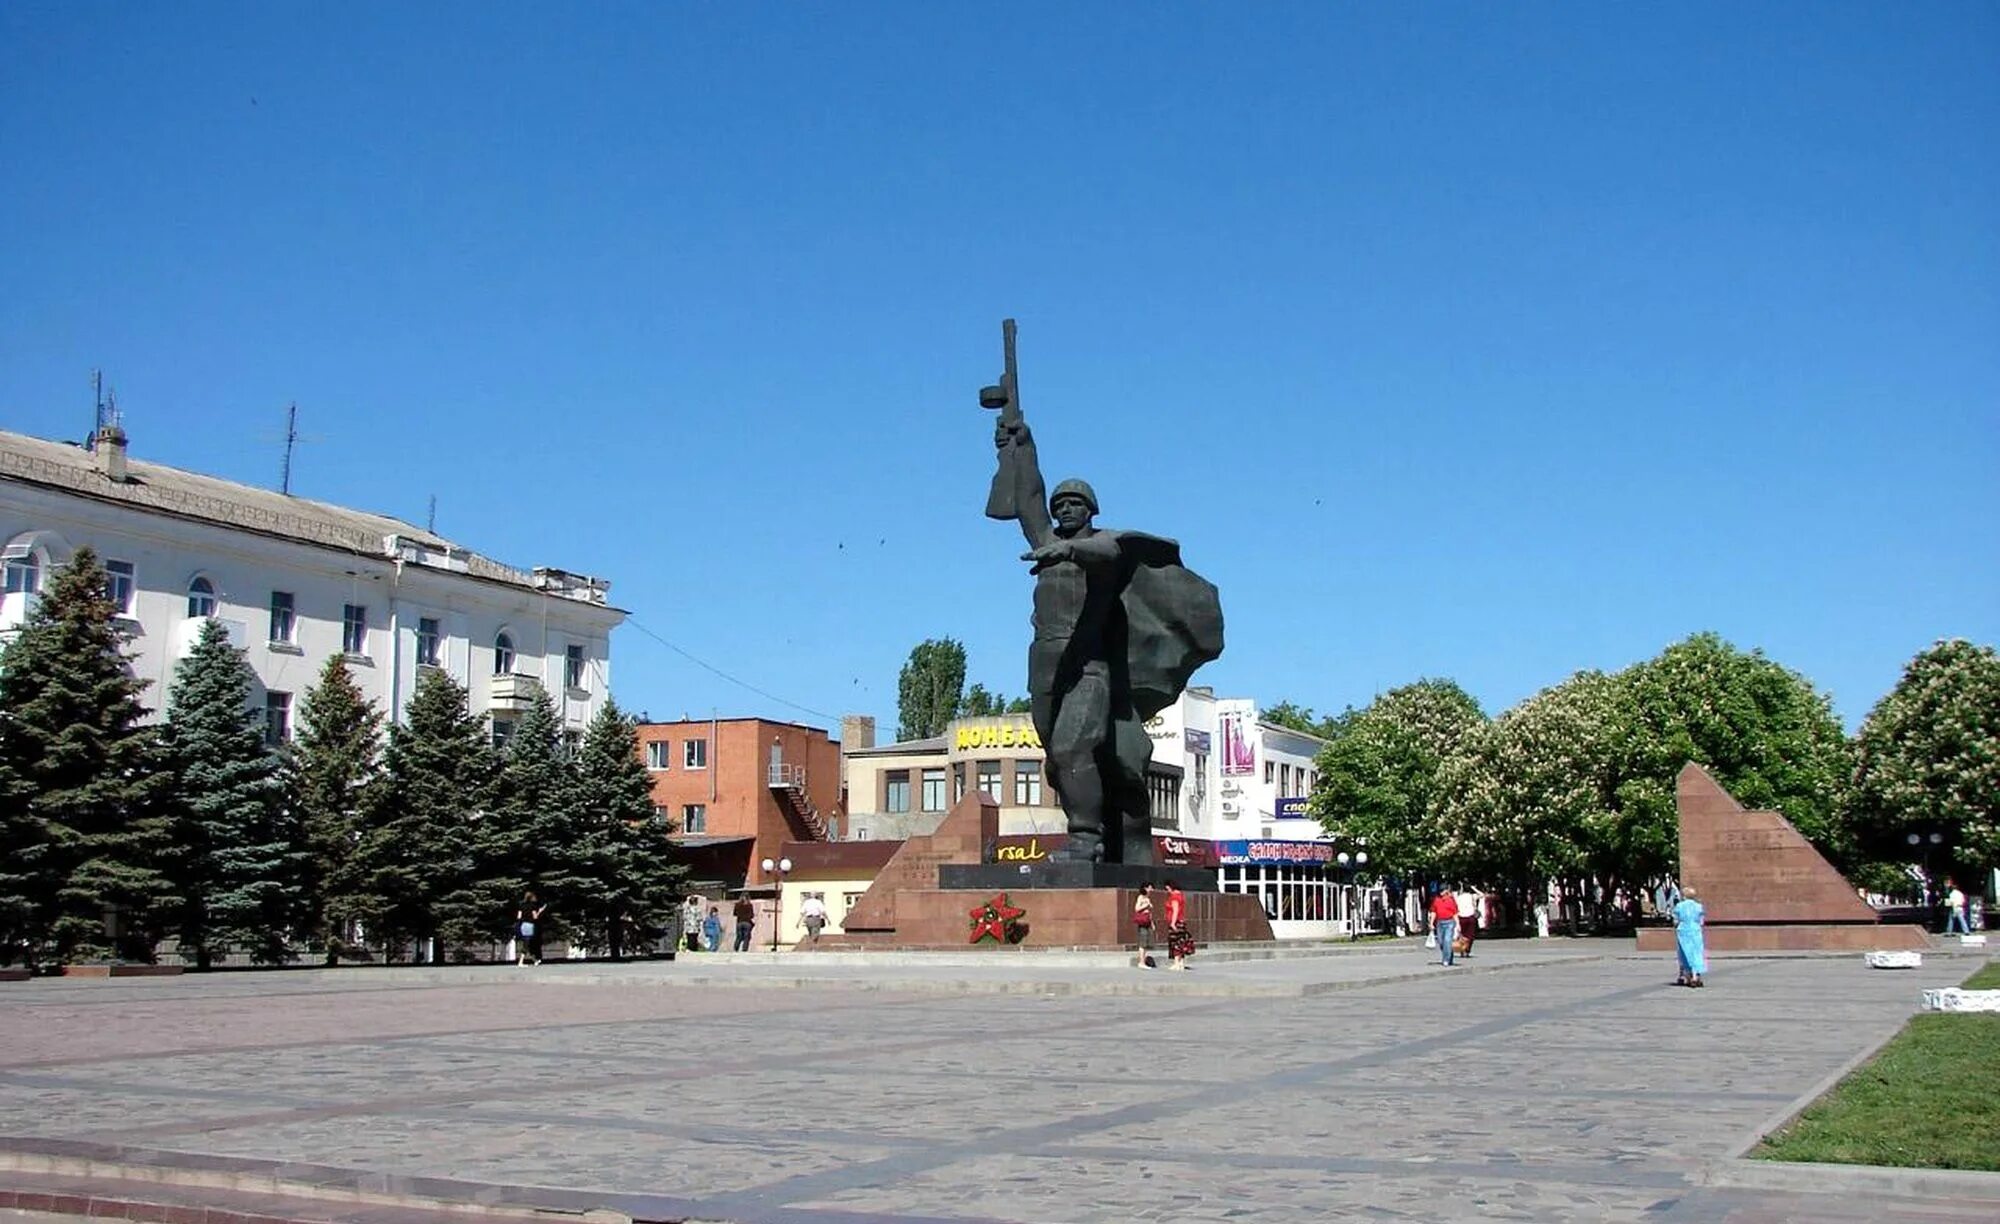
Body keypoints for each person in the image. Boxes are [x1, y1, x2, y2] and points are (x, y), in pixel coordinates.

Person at [985, 357, 1223, 865]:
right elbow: (1027, 497)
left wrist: (1070, 551)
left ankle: (1085, 841)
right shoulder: (1046, 542)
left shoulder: (1102, 548)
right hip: (1045, 664)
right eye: (1062, 503)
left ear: (1092, 511)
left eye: (1076, 503)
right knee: (1059, 759)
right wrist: (1020, 444)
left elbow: (1106, 554)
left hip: (1090, 669)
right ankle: (1106, 832)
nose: (1065, 509)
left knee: (1074, 749)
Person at [1672, 886, 1707, 987]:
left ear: (1683, 896)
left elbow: (1675, 920)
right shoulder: (1698, 906)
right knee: (1696, 952)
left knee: (1684, 952)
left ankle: (1685, 975)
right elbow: (1701, 921)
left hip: (1683, 930)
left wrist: (1677, 925)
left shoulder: (1679, 906)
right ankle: (1696, 976)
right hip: (1695, 930)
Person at [1164, 880, 1195, 970]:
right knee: (1181, 941)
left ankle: (1176, 963)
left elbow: (1175, 910)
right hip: (1181, 921)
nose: (1167, 891)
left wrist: (1173, 923)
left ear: (1171, 887)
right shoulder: (1181, 895)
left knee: (1175, 942)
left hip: (1176, 922)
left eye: (1168, 889)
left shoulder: (1174, 897)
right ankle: (1181, 962)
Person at [1430, 887, 1459, 967]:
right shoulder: (1436, 900)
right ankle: (1450, 955)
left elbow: (1455, 913)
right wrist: (1431, 923)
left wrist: (1458, 924)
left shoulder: (1450, 900)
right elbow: (1433, 912)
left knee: (1447, 940)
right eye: (1440, 891)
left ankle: (1445, 959)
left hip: (1449, 922)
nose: (1441, 893)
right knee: (1441, 942)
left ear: (1446, 891)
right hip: (1440, 922)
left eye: (1442, 891)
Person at [516, 891, 546, 966]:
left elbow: (518, 917)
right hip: (529, 925)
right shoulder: (533, 906)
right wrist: (539, 911)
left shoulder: (521, 905)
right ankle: (521, 962)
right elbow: (535, 917)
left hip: (522, 925)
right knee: (527, 943)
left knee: (528, 943)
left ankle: (535, 960)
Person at [1131, 883, 1155, 969]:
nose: (1151, 890)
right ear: (1145, 888)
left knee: (1146, 942)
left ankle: (1143, 961)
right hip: (1142, 922)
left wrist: (1152, 923)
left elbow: (1150, 913)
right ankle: (1141, 962)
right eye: (1150, 888)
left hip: (1147, 921)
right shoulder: (1141, 897)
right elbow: (1137, 908)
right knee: (1142, 942)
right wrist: (1146, 905)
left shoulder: (1147, 898)